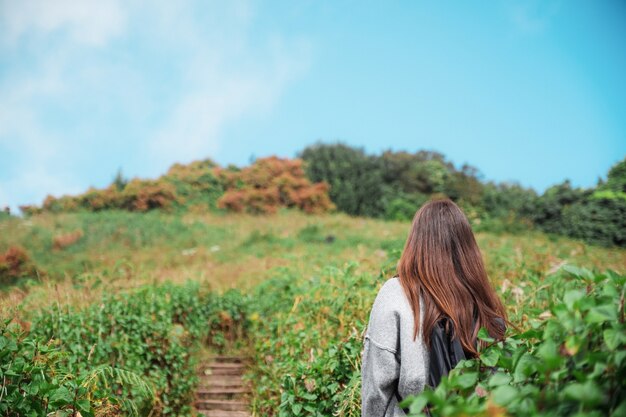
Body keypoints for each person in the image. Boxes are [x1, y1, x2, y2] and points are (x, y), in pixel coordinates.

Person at [360, 198, 508, 416]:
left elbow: (377, 386)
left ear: (416, 241)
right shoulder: (481, 296)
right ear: (467, 247)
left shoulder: (397, 292)